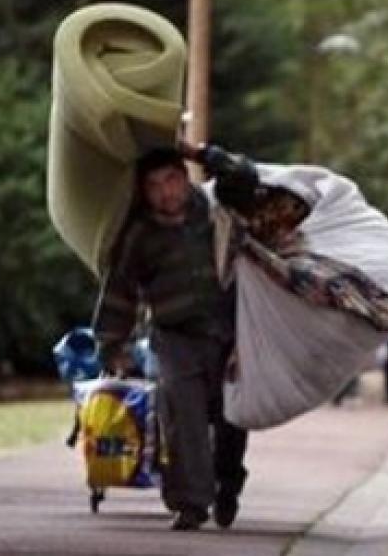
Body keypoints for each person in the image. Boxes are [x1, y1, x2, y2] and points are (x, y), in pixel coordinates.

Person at [92, 145, 288, 531]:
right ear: (143, 191)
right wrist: (113, 346)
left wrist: (198, 152)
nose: (165, 193)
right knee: (183, 422)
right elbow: (119, 290)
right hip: (175, 338)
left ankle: (227, 484)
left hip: (231, 332)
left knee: (232, 418)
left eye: (171, 181)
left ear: (185, 178)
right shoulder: (138, 234)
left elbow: (245, 175)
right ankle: (191, 504)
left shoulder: (218, 207)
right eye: (153, 186)